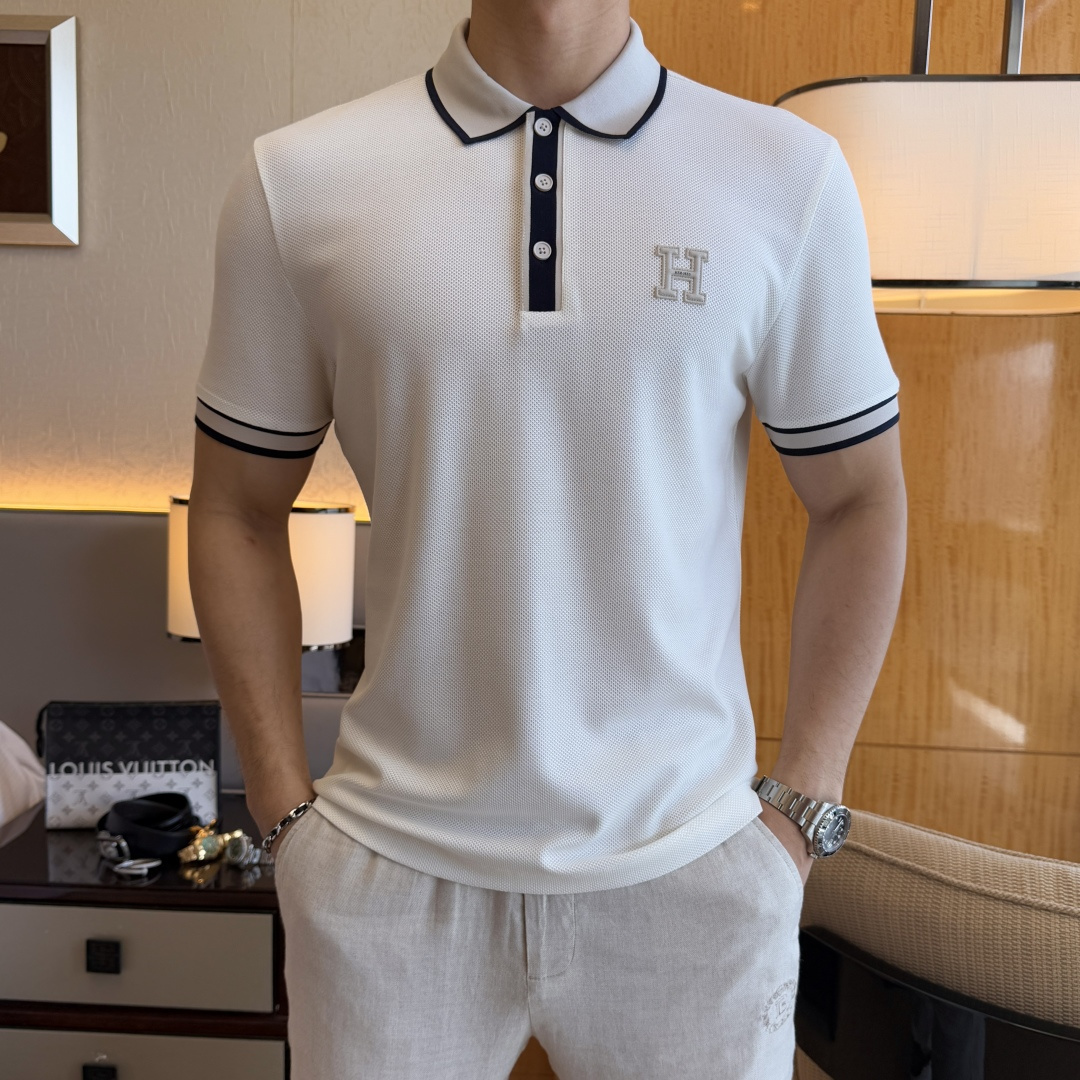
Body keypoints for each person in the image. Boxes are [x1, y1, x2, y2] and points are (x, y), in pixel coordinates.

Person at [187, 0, 907, 1076]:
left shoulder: (784, 176)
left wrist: (803, 810)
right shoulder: (299, 183)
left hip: (692, 871)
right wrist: (283, 811)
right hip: (387, 877)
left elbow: (861, 499)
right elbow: (236, 510)